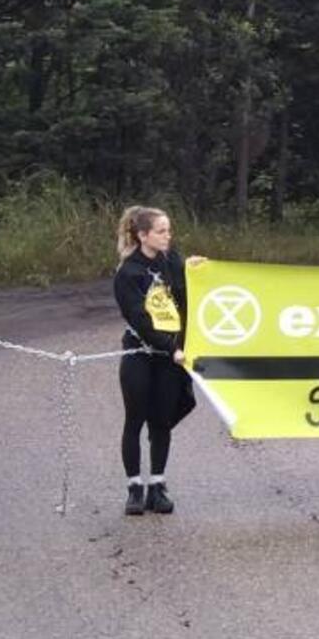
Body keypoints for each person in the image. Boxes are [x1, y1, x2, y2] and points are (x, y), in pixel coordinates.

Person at [111, 207, 206, 516]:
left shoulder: (171, 260)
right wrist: (170, 347)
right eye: (162, 231)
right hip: (141, 354)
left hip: (169, 358)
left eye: (169, 230)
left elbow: (185, 292)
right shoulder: (128, 273)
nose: (168, 236)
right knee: (135, 419)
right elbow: (139, 319)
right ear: (143, 235)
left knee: (162, 420)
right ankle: (134, 488)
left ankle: (158, 485)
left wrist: (193, 271)